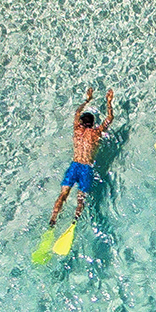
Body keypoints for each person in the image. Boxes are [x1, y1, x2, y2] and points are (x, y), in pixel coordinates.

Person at [49, 87, 113, 231]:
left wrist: (87, 99)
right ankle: (74, 222)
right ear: (92, 124)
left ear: (82, 122)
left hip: (74, 166)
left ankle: (53, 219)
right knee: (80, 200)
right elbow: (109, 119)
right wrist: (109, 102)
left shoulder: (77, 130)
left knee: (63, 194)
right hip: (86, 168)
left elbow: (77, 112)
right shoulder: (96, 133)